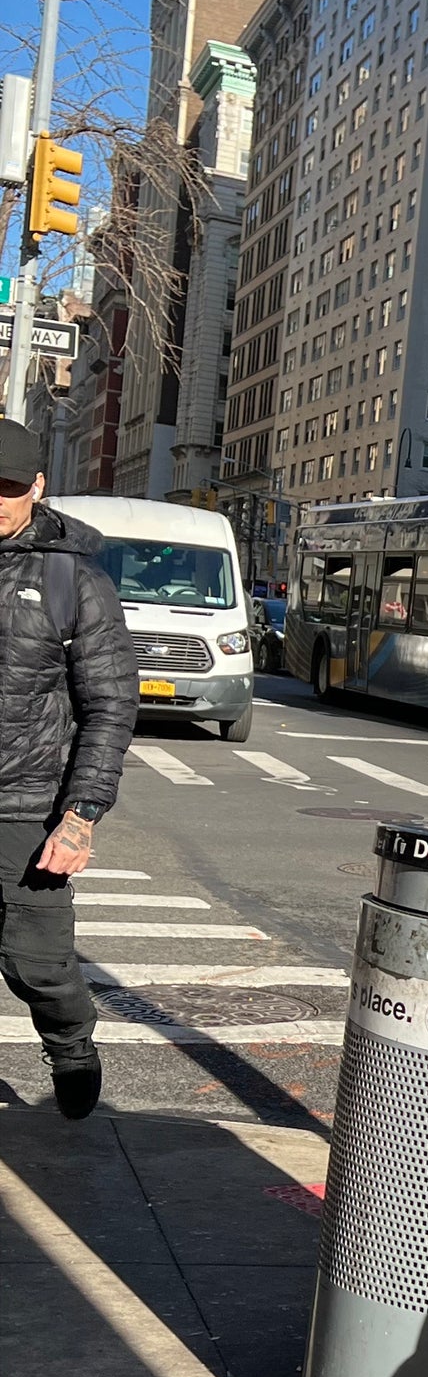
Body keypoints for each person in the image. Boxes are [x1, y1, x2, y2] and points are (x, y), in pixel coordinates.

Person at [0, 422, 135, 1116]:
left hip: (27, 807)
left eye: (11, 488)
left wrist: (80, 818)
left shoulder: (70, 578)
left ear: (39, 487)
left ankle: (71, 1046)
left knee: (37, 965)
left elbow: (110, 707)